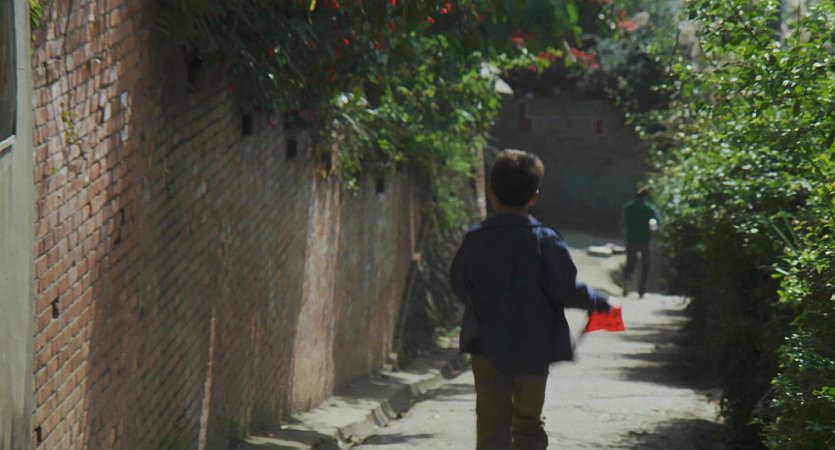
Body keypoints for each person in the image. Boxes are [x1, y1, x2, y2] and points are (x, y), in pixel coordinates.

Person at [449, 149, 611, 450]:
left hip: (487, 348)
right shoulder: (546, 240)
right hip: (534, 350)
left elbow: (459, 283)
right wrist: (595, 300)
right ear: (534, 197)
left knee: (491, 425)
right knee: (528, 424)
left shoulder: (476, 239)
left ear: (491, 193)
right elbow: (566, 289)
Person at [620, 186, 661, 298]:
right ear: (646, 196)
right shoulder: (650, 208)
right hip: (645, 240)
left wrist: (625, 235)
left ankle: (627, 279)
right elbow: (656, 223)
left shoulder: (628, 207)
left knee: (630, 264)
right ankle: (641, 290)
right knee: (646, 265)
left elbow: (623, 223)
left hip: (631, 239)